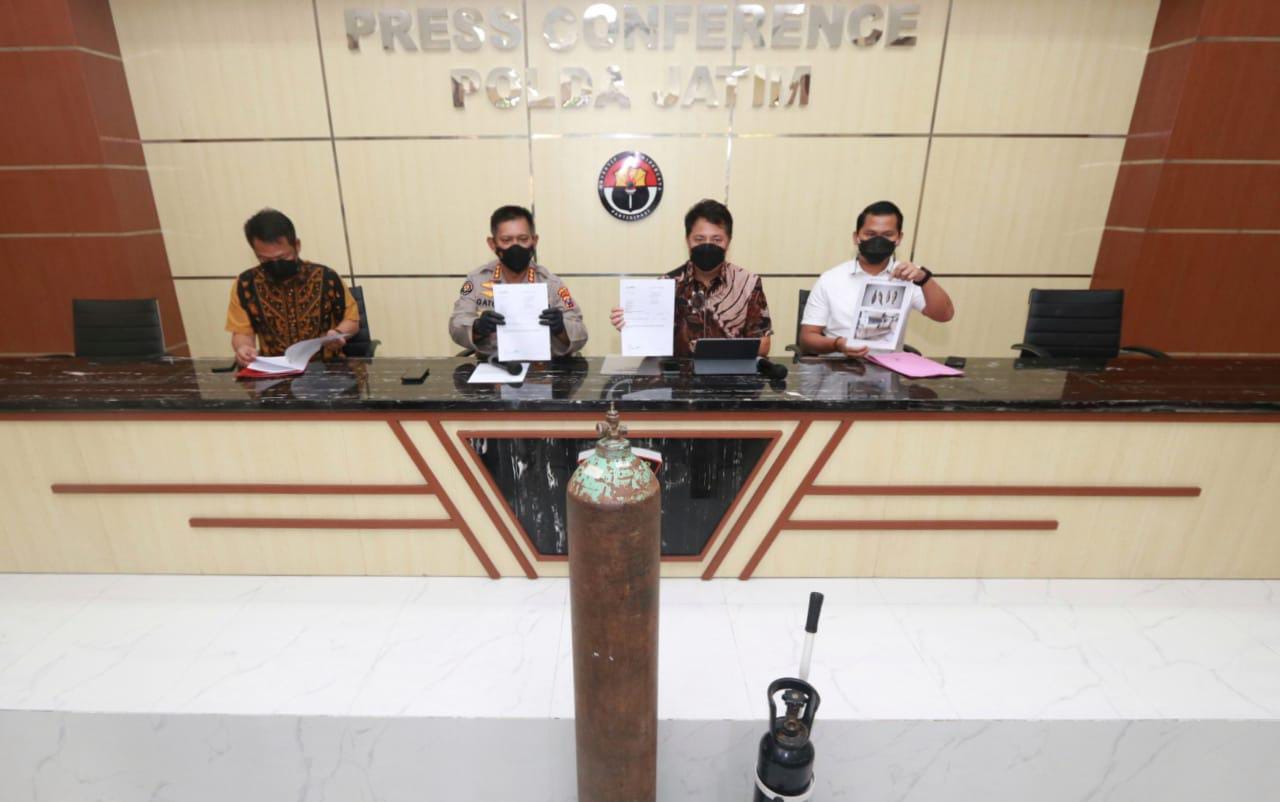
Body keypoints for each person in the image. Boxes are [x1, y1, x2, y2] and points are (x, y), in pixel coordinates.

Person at [610, 199, 772, 357]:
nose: (707, 245)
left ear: (728, 241)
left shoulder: (748, 283)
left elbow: (763, 345)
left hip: (732, 372)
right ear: (687, 240)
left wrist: (711, 351)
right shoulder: (666, 285)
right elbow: (650, 349)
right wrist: (632, 326)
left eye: (717, 239)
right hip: (678, 374)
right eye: (699, 239)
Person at [799, 200, 954, 357]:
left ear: (899, 238)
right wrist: (838, 344)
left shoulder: (909, 275)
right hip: (838, 365)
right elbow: (807, 338)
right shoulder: (831, 279)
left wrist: (924, 279)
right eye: (870, 234)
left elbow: (944, 315)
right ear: (856, 237)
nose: (878, 241)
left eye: (887, 235)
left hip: (890, 366)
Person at [226, 209, 360, 367]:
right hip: (275, 369)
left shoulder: (327, 277)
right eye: (265, 259)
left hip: (326, 367)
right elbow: (241, 332)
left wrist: (337, 333)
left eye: (283, 257)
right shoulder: (245, 284)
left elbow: (352, 321)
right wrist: (243, 348)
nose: (276, 264)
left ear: (297, 245)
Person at [449, 205, 588, 358]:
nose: (515, 246)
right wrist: (477, 327)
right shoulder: (476, 281)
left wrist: (561, 328)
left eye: (523, 239)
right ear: (492, 243)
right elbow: (456, 325)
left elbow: (581, 333)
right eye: (506, 240)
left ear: (534, 241)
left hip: (542, 366)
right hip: (492, 365)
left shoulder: (552, 284)